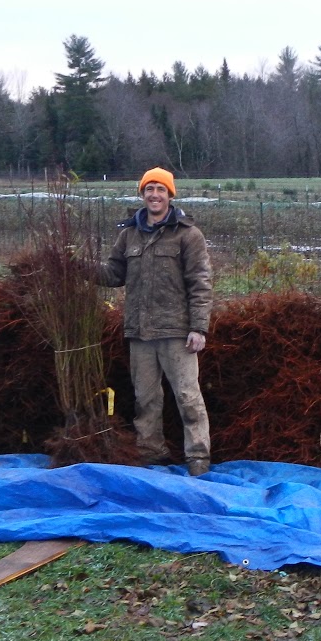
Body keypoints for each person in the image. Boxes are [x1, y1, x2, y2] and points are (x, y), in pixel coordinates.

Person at [95, 167, 213, 476]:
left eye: (161, 189)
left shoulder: (188, 234)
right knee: (145, 399)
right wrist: (78, 268)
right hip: (140, 333)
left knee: (188, 398)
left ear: (170, 195)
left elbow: (200, 283)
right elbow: (114, 274)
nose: (154, 195)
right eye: (149, 189)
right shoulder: (129, 234)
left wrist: (199, 327)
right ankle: (151, 454)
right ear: (142, 194)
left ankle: (198, 459)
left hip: (176, 331)